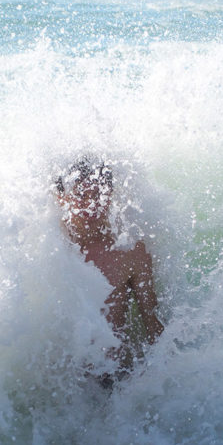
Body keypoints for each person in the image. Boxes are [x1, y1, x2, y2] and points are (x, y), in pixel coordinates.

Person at [55, 158, 164, 381]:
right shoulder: (49, 252)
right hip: (60, 386)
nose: (91, 204)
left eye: (98, 195)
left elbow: (154, 328)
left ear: (110, 195)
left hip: (111, 378)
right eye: (80, 195)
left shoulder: (130, 252)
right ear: (61, 198)